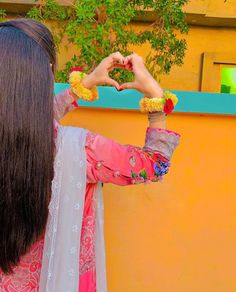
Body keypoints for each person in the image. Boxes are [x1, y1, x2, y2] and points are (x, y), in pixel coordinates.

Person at [0, 19, 180, 292]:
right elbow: (155, 163)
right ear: (47, 73)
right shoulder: (82, 149)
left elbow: (28, 119)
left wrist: (83, 85)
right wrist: (156, 100)